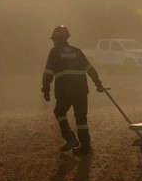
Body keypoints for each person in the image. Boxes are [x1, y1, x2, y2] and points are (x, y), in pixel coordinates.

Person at [41, 25, 106, 155]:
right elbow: (90, 68)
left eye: (54, 39)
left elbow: (48, 72)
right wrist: (98, 83)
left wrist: (46, 89)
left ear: (56, 39)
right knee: (81, 119)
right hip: (81, 90)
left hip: (65, 90)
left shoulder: (54, 52)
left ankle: (70, 138)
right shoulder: (77, 51)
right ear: (66, 38)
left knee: (59, 112)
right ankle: (86, 146)